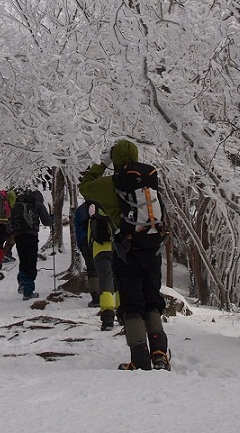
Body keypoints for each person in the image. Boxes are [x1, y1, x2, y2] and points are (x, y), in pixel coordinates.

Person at [79, 139, 169, 371]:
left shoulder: (111, 184)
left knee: (131, 304)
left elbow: (85, 187)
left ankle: (139, 359)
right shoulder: (149, 177)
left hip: (127, 252)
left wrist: (101, 164)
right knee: (152, 300)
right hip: (152, 249)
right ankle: (160, 353)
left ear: (116, 159)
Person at [9, 185, 53, 300]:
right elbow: (47, 221)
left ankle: (22, 281)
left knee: (23, 260)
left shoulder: (19, 204)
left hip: (18, 235)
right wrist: (53, 218)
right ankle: (28, 291)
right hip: (31, 235)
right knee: (31, 262)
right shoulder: (37, 204)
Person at [87, 201, 119, 330]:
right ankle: (123, 313)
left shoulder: (94, 212)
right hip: (117, 250)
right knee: (118, 281)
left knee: (105, 283)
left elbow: (90, 238)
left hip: (100, 252)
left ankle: (107, 317)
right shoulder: (115, 210)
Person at [72, 201, 100, 307]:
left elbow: (77, 229)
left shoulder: (81, 210)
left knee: (91, 268)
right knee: (106, 267)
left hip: (86, 241)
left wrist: (80, 245)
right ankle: (109, 295)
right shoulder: (102, 205)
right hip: (103, 240)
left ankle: (96, 297)